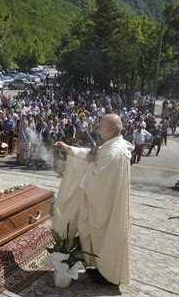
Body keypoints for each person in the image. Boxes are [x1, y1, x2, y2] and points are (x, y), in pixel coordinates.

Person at [54, 114, 133, 285]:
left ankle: (106, 274)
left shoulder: (113, 152)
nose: (98, 130)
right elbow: (93, 155)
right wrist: (69, 149)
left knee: (103, 238)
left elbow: (97, 179)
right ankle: (98, 268)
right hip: (107, 203)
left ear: (110, 130)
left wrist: (89, 163)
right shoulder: (113, 145)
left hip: (104, 206)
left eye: (101, 127)